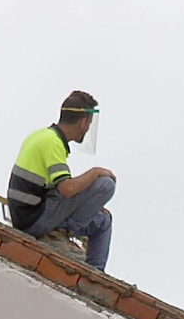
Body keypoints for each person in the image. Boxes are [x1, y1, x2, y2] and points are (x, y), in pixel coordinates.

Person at [7, 91, 116, 272]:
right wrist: (95, 172)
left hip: (28, 216)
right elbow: (67, 188)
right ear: (83, 122)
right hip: (35, 221)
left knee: (103, 221)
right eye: (89, 123)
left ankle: (96, 274)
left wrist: (87, 204)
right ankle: (61, 231)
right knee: (106, 184)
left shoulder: (41, 135)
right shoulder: (53, 142)